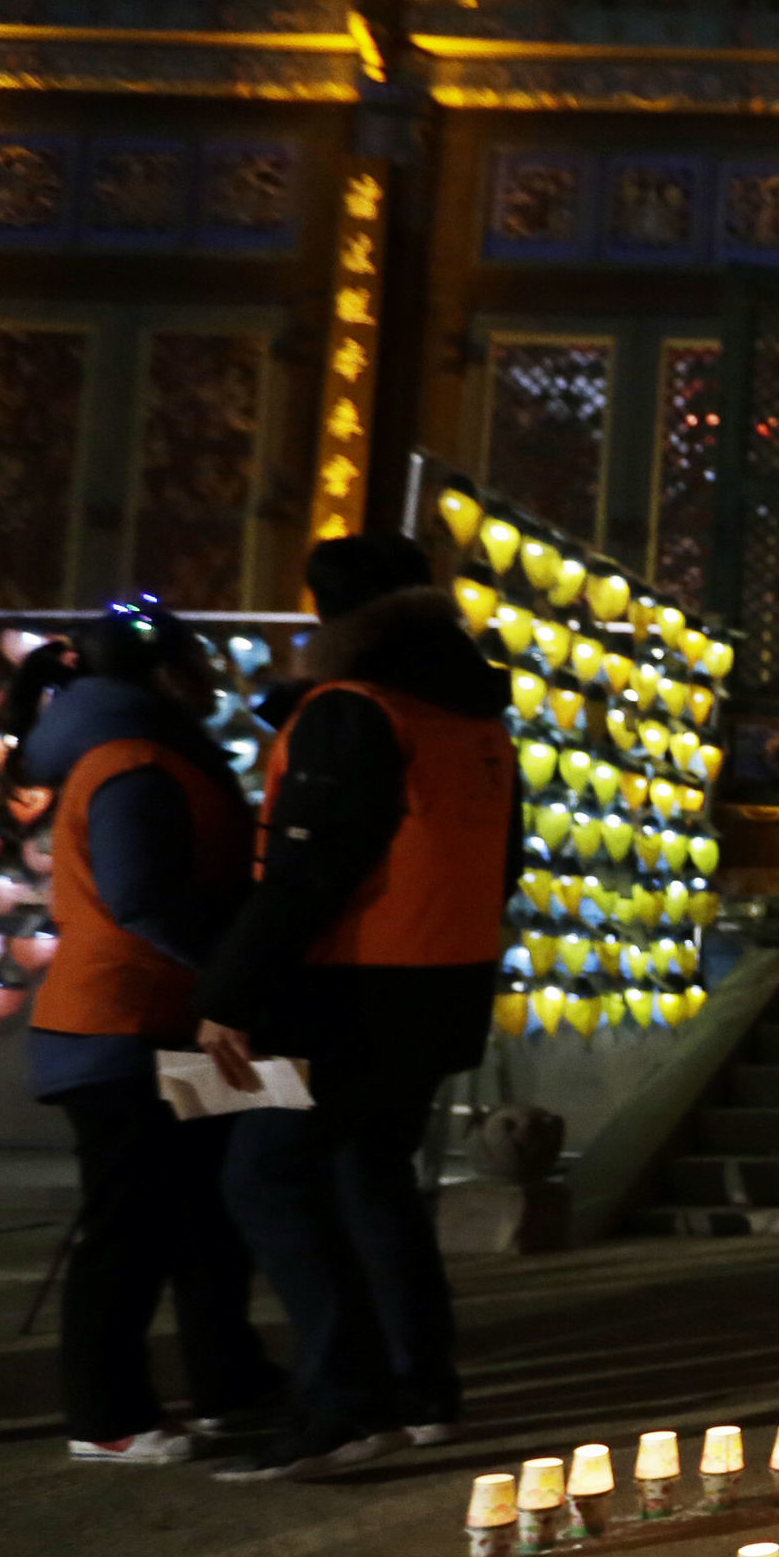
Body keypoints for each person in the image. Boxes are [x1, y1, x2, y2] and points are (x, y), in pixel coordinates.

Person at [195, 535, 512, 1481]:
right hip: (440, 987)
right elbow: (505, 866)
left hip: (343, 990)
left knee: (263, 1177)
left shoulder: (351, 711)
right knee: (370, 1174)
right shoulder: (476, 719)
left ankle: (341, 1403)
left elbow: (308, 870)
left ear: (331, 616)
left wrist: (227, 996)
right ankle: (420, 1389)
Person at [19, 605, 282, 1464]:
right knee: (129, 1227)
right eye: (199, 666)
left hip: (182, 1022)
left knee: (214, 1213)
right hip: (125, 1024)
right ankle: (106, 1418)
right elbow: (142, 900)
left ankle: (229, 1381)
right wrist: (233, 975)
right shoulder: (132, 763)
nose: (213, 682)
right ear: (166, 677)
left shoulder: (160, 755)